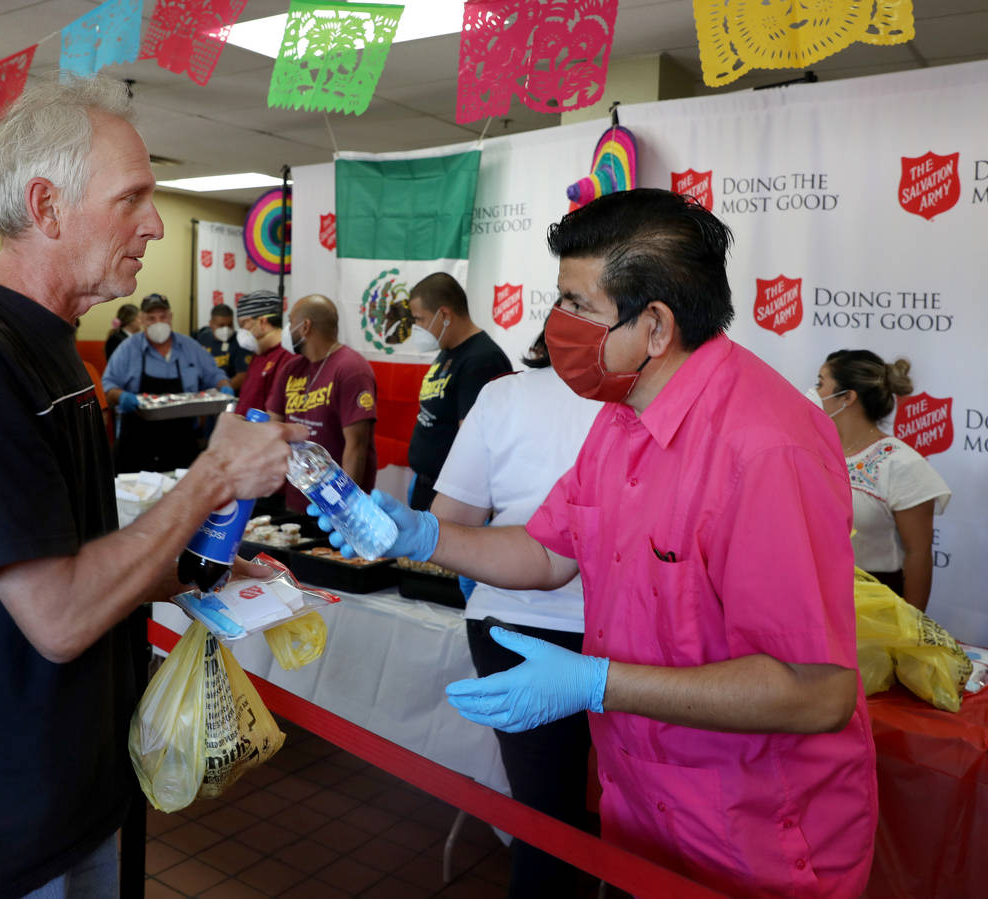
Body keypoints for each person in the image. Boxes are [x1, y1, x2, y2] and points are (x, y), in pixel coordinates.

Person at [0, 74, 305, 899]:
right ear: (47, 208)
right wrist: (212, 477)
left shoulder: (46, 347)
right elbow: (63, 613)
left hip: (53, 794)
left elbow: (68, 546)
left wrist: (198, 573)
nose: (154, 224)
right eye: (134, 197)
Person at [315, 189, 877, 898]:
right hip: (648, 812)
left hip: (759, 836)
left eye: (577, 305)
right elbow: (548, 554)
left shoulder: (767, 446)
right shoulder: (620, 419)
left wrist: (596, 682)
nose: (557, 325)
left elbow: (816, 693)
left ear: (655, 325)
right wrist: (421, 534)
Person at [431, 319, 601, 897]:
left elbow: (450, 523)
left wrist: (428, 541)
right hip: (587, 624)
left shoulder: (506, 396)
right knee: (599, 819)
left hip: (515, 620)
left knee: (546, 817)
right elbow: (548, 558)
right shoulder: (642, 401)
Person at [812, 350, 951, 611]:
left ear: (848, 397)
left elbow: (917, 554)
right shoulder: (814, 452)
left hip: (877, 612)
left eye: (820, 383)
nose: (813, 393)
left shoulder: (902, 465)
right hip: (816, 603)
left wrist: (910, 633)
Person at [406, 272, 512, 510]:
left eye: (419, 319)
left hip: (453, 497)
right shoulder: (448, 349)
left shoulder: (482, 359)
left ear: (444, 315)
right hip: (427, 487)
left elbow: (473, 440)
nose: (416, 328)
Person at [267, 294, 378, 511]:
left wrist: (343, 508)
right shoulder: (291, 369)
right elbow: (273, 426)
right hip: (297, 499)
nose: (287, 330)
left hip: (337, 506)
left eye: (291, 322)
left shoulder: (351, 369)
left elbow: (356, 447)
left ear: (305, 326)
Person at [102, 292, 233, 473]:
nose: (158, 322)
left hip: (182, 442)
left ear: (170, 317)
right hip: (137, 443)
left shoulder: (190, 347)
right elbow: (108, 385)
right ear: (141, 320)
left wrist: (225, 387)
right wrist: (121, 396)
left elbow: (215, 374)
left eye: (163, 317)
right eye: (151, 318)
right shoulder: (128, 349)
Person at [233, 290, 290, 418]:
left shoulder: (286, 357)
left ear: (262, 322)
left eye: (244, 324)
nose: (242, 331)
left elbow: (276, 413)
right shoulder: (259, 354)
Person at [195, 302, 253, 393]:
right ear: (211, 324)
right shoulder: (203, 337)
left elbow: (243, 375)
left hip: (229, 394)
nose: (226, 329)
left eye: (229, 325)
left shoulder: (241, 342)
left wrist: (222, 389)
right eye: (221, 325)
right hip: (204, 394)